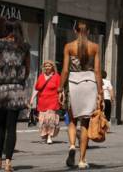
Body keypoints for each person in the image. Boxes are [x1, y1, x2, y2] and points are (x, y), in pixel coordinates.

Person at [58, 21, 102, 170]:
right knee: (85, 123)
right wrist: (100, 92)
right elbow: (97, 71)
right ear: (88, 32)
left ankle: (71, 146)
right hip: (89, 84)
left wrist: (60, 88)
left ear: (75, 31)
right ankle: (82, 160)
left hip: (73, 84)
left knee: (72, 120)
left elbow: (64, 70)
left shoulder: (69, 47)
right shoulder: (94, 47)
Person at [0, 20, 31, 172]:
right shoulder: (24, 46)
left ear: (4, 29)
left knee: (0, 124)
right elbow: (27, 69)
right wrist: (20, 82)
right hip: (17, 89)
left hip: (1, 88)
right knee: (12, 126)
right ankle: (8, 163)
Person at [30, 60, 61, 144]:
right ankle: (46, 134)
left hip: (53, 100)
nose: (47, 67)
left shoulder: (57, 76)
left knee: (50, 119)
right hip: (42, 101)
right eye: (46, 66)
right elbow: (37, 89)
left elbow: (60, 89)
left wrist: (62, 97)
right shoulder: (40, 77)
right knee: (43, 120)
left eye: (49, 66)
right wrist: (32, 99)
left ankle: (50, 136)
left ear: (52, 67)